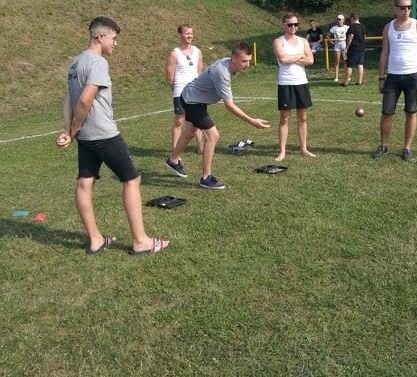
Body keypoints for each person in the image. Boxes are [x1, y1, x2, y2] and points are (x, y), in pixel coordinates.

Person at [56, 17, 168, 256]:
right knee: (132, 180)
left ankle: (96, 240)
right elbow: (84, 100)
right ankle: (141, 241)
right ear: (100, 37)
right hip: (102, 133)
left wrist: (69, 130)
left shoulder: (75, 63)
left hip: (86, 137)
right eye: (114, 39)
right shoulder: (98, 62)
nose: (116, 43)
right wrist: (75, 126)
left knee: (85, 182)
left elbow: (68, 99)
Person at [165, 43, 270, 190]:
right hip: (192, 101)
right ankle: (206, 177)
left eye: (249, 61)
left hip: (192, 97)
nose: (247, 65)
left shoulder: (227, 63)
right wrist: (252, 121)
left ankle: (173, 160)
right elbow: (229, 105)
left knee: (190, 132)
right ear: (233, 59)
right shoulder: (222, 73)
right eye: (244, 61)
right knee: (213, 136)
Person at [372, 0, 417, 162]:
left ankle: (407, 148)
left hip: (413, 76)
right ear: (396, 8)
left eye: (409, 7)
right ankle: (383, 146)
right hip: (392, 77)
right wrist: (381, 78)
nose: (406, 10)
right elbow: (384, 54)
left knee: (410, 112)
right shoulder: (388, 27)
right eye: (402, 7)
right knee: (386, 113)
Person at [273, 13, 316, 161]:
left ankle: (303, 148)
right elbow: (283, 59)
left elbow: (310, 60)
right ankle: (282, 151)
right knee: (285, 118)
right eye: (290, 24)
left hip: (301, 82)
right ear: (284, 25)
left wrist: (293, 58)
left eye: (296, 24)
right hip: (285, 83)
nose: (293, 27)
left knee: (303, 117)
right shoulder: (278, 41)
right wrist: (299, 56)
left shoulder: (303, 41)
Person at [165, 23, 204, 154]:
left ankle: (201, 148)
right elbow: (170, 76)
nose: (189, 36)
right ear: (180, 35)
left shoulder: (197, 51)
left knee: (197, 120)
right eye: (187, 33)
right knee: (179, 122)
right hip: (180, 92)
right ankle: (176, 150)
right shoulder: (175, 53)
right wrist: (176, 89)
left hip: (195, 92)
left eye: (191, 33)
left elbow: (199, 72)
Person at [343, 12, 366, 86]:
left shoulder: (352, 26)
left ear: (352, 18)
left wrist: (347, 47)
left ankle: (346, 82)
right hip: (361, 48)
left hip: (353, 48)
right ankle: (359, 81)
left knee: (349, 65)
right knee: (360, 64)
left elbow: (350, 37)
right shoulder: (362, 27)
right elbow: (364, 37)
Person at [329, 14, 348, 82]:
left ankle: (347, 76)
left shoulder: (347, 27)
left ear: (343, 20)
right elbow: (328, 35)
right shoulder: (334, 28)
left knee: (346, 61)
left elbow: (351, 34)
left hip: (344, 45)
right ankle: (336, 77)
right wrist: (331, 41)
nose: (339, 21)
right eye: (338, 19)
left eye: (340, 19)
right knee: (337, 61)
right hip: (337, 45)